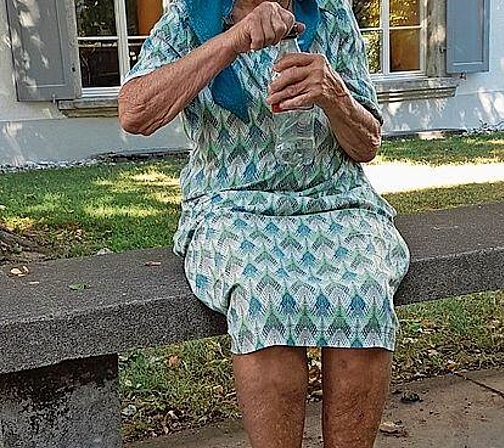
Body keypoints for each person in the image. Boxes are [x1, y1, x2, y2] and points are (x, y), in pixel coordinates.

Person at [118, 0, 410, 446]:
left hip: (335, 202)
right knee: (264, 295)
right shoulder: (190, 18)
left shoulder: (330, 15)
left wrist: (335, 94)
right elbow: (135, 112)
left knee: (364, 293)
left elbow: (366, 144)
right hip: (233, 208)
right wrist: (233, 40)